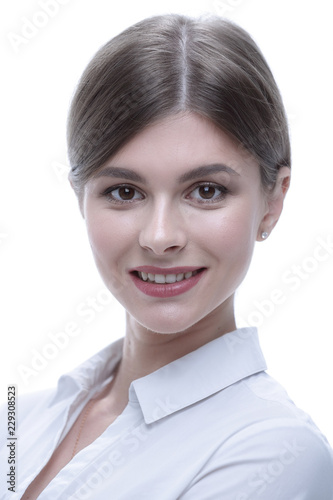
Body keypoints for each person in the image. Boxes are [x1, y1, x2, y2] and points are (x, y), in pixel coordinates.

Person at [2, 13, 333, 499]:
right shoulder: (17, 417)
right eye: (123, 192)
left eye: (206, 190)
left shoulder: (275, 453)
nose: (160, 237)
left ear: (274, 200)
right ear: (79, 196)